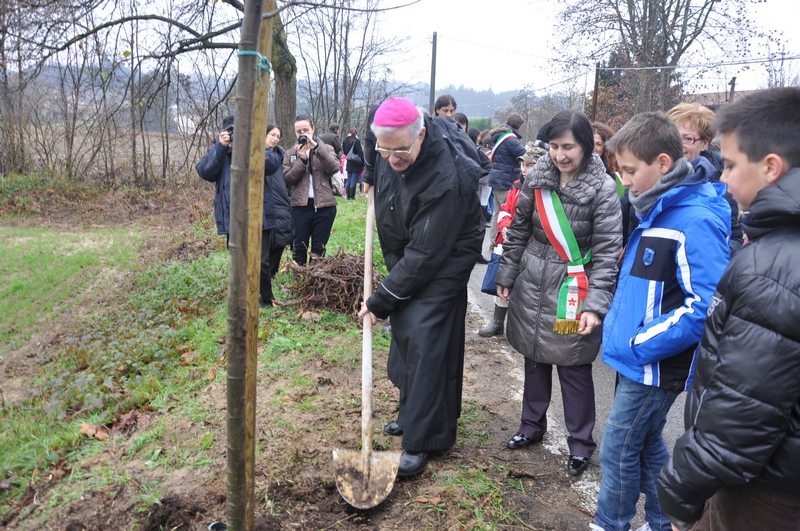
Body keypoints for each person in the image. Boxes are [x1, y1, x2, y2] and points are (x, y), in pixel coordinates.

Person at [657, 87, 800, 531]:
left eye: (732, 165)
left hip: (762, 492)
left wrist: (682, 492)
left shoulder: (771, 267)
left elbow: (743, 408)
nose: (722, 178)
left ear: (771, 168)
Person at [591, 111, 731, 531]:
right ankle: (663, 522)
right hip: (641, 359)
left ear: (664, 163)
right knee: (648, 444)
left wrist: (640, 345)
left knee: (615, 449)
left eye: (632, 171)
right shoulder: (657, 208)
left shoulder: (695, 219)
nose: (626, 181)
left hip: (653, 364)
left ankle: (609, 523)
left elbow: (703, 304)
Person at [357, 97, 486, 477]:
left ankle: (424, 438)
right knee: (406, 327)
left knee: (428, 336)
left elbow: (426, 257)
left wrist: (379, 300)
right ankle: (411, 410)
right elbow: (374, 139)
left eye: (400, 151)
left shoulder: (445, 176)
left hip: (446, 254)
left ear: (421, 135)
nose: (391, 158)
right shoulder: (386, 141)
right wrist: (369, 169)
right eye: (384, 149)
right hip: (408, 242)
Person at [494, 110, 622, 476]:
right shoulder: (537, 178)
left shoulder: (604, 187)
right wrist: (507, 274)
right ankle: (531, 426)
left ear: (585, 146)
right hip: (532, 282)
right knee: (534, 357)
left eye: (568, 147)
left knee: (574, 367)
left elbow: (609, 249)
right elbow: (518, 231)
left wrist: (596, 305)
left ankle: (580, 443)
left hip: (573, 288)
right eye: (554, 146)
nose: (560, 155)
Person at [196, 115, 281, 307]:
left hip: (259, 213)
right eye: (232, 132)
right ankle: (243, 299)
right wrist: (220, 146)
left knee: (261, 261)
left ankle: (266, 298)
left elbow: (273, 164)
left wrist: (250, 145)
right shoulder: (220, 152)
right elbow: (204, 171)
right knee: (238, 260)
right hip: (233, 215)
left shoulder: (255, 148)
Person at [479, 145, 545, 337]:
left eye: (530, 165)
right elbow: (505, 210)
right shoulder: (516, 186)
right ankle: (497, 321)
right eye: (523, 164)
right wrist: (505, 226)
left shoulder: (544, 190)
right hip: (510, 242)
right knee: (503, 278)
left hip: (531, 245)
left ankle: (523, 329)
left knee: (526, 287)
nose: (525, 169)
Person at [667, 102, 744, 256]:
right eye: (673, 137)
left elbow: (734, 237)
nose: (678, 145)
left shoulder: (722, 181)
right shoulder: (648, 172)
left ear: (704, 144)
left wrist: (709, 256)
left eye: (687, 139)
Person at [282, 115, 340, 266]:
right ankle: (299, 281)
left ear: (313, 129)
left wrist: (317, 148)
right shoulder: (290, 153)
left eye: (306, 130)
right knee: (299, 247)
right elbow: (288, 179)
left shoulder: (326, 148)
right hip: (300, 207)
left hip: (324, 206)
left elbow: (334, 167)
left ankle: (314, 283)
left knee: (318, 250)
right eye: (299, 131)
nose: (303, 134)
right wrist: (302, 160)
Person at [487, 113, 527, 254]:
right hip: (506, 179)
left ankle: (493, 241)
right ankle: (499, 242)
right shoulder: (511, 139)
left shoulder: (500, 137)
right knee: (506, 211)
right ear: (519, 126)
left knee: (497, 211)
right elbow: (524, 155)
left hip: (498, 177)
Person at [265, 124, 292, 282]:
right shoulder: (257, 154)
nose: (275, 138)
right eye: (272, 134)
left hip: (281, 203)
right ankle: (263, 274)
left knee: (281, 237)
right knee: (265, 242)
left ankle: (272, 272)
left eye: (278, 136)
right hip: (263, 202)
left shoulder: (283, 156)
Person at [341, 128, 365, 200]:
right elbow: (360, 152)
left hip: (349, 162)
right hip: (356, 163)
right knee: (354, 179)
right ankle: (352, 196)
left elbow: (345, 152)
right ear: (356, 133)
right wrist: (363, 162)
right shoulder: (357, 141)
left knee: (349, 179)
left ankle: (348, 195)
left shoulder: (345, 141)